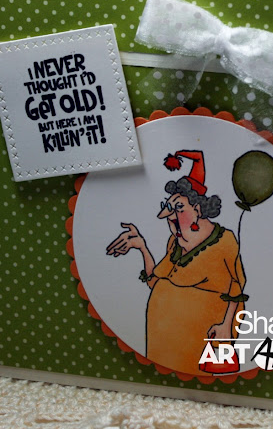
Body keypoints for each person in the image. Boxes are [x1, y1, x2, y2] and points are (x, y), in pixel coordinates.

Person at [106, 150, 247, 375]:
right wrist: (142, 247)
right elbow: (155, 281)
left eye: (179, 208)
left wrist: (226, 326)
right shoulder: (175, 243)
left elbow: (236, 287)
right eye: (170, 208)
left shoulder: (224, 242)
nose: (171, 216)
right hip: (161, 340)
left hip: (200, 339)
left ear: (198, 209)